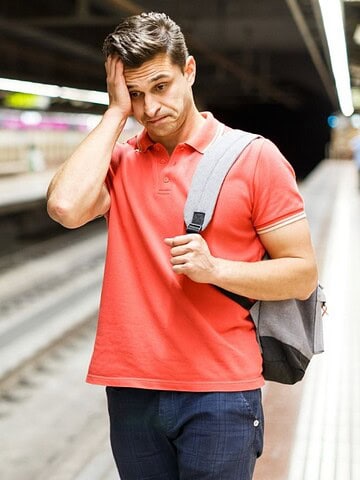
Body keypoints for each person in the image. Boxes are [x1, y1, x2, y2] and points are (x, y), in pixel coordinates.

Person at [47, 11, 318, 480]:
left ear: (189, 71)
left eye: (161, 86)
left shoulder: (255, 158)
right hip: (131, 388)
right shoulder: (118, 163)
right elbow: (67, 207)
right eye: (134, 94)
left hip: (220, 392)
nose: (150, 108)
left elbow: (301, 272)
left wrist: (217, 270)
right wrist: (115, 114)